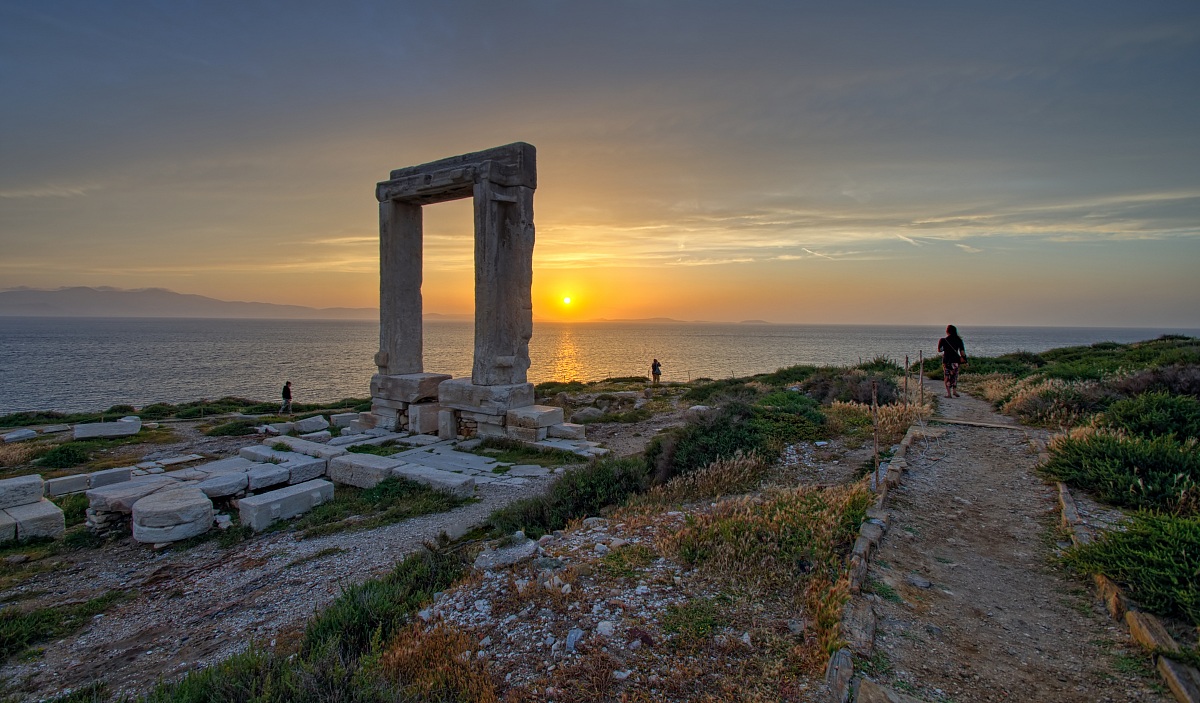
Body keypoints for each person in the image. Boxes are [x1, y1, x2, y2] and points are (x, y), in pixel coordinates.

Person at [937, 326, 967, 398]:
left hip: (947, 361)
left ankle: (949, 393)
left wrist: (945, 348)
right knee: (954, 376)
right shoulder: (959, 340)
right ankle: (954, 391)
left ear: (947, 331)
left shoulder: (943, 340)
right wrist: (965, 360)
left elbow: (940, 350)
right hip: (955, 361)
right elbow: (962, 352)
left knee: (947, 376)